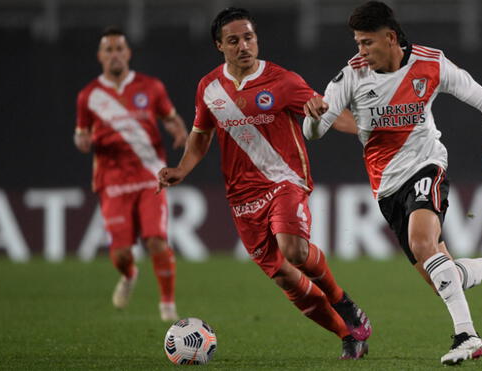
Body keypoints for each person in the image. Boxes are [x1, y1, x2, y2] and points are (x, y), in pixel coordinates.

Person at [303, 1, 482, 365]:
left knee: (422, 242)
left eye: (367, 43)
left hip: (427, 165)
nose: (360, 52)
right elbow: (313, 133)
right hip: (386, 188)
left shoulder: (430, 63)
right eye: (357, 44)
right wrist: (315, 116)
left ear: (390, 37)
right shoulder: (350, 76)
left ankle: (468, 336)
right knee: (445, 277)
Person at [157, 7, 371, 360]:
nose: (244, 45)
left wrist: (364, 130)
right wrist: (182, 169)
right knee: (286, 277)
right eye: (234, 40)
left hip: (286, 180)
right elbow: (200, 136)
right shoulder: (209, 88)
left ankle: (343, 303)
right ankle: (347, 334)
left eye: (249, 37)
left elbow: (326, 113)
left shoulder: (283, 81)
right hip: (242, 196)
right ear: (219, 45)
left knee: (294, 250)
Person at [74, 27, 188, 321]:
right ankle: (129, 275)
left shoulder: (151, 87)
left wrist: (178, 129)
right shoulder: (89, 95)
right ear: (100, 56)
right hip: (112, 181)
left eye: (119, 48)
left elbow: (171, 117)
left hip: (150, 175)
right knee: (123, 253)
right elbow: (81, 134)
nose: (114, 54)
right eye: (108, 49)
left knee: (156, 242)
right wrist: (82, 141)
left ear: (128, 53)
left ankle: (167, 305)